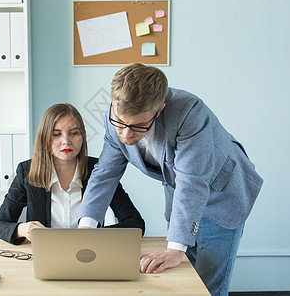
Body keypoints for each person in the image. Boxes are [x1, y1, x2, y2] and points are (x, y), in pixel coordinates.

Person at [78, 63, 263, 295]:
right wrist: (85, 229)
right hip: (181, 199)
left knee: (207, 287)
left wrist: (175, 249)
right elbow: (105, 173)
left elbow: (192, 181)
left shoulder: (190, 112)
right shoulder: (116, 115)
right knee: (182, 281)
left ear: (159, 111)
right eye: (120, 122)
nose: (125, 133)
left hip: (221, 194)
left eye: (137, 126)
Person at [0, 103, 145, 245]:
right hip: (46, 254)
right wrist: (23, 229)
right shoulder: (27, 171)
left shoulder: (99, 170)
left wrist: (96, 234)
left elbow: (136, 223)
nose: (66, 141)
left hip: (89, 252)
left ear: (82, 137)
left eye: (74, 133)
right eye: (56, 134)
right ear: (45, 138)